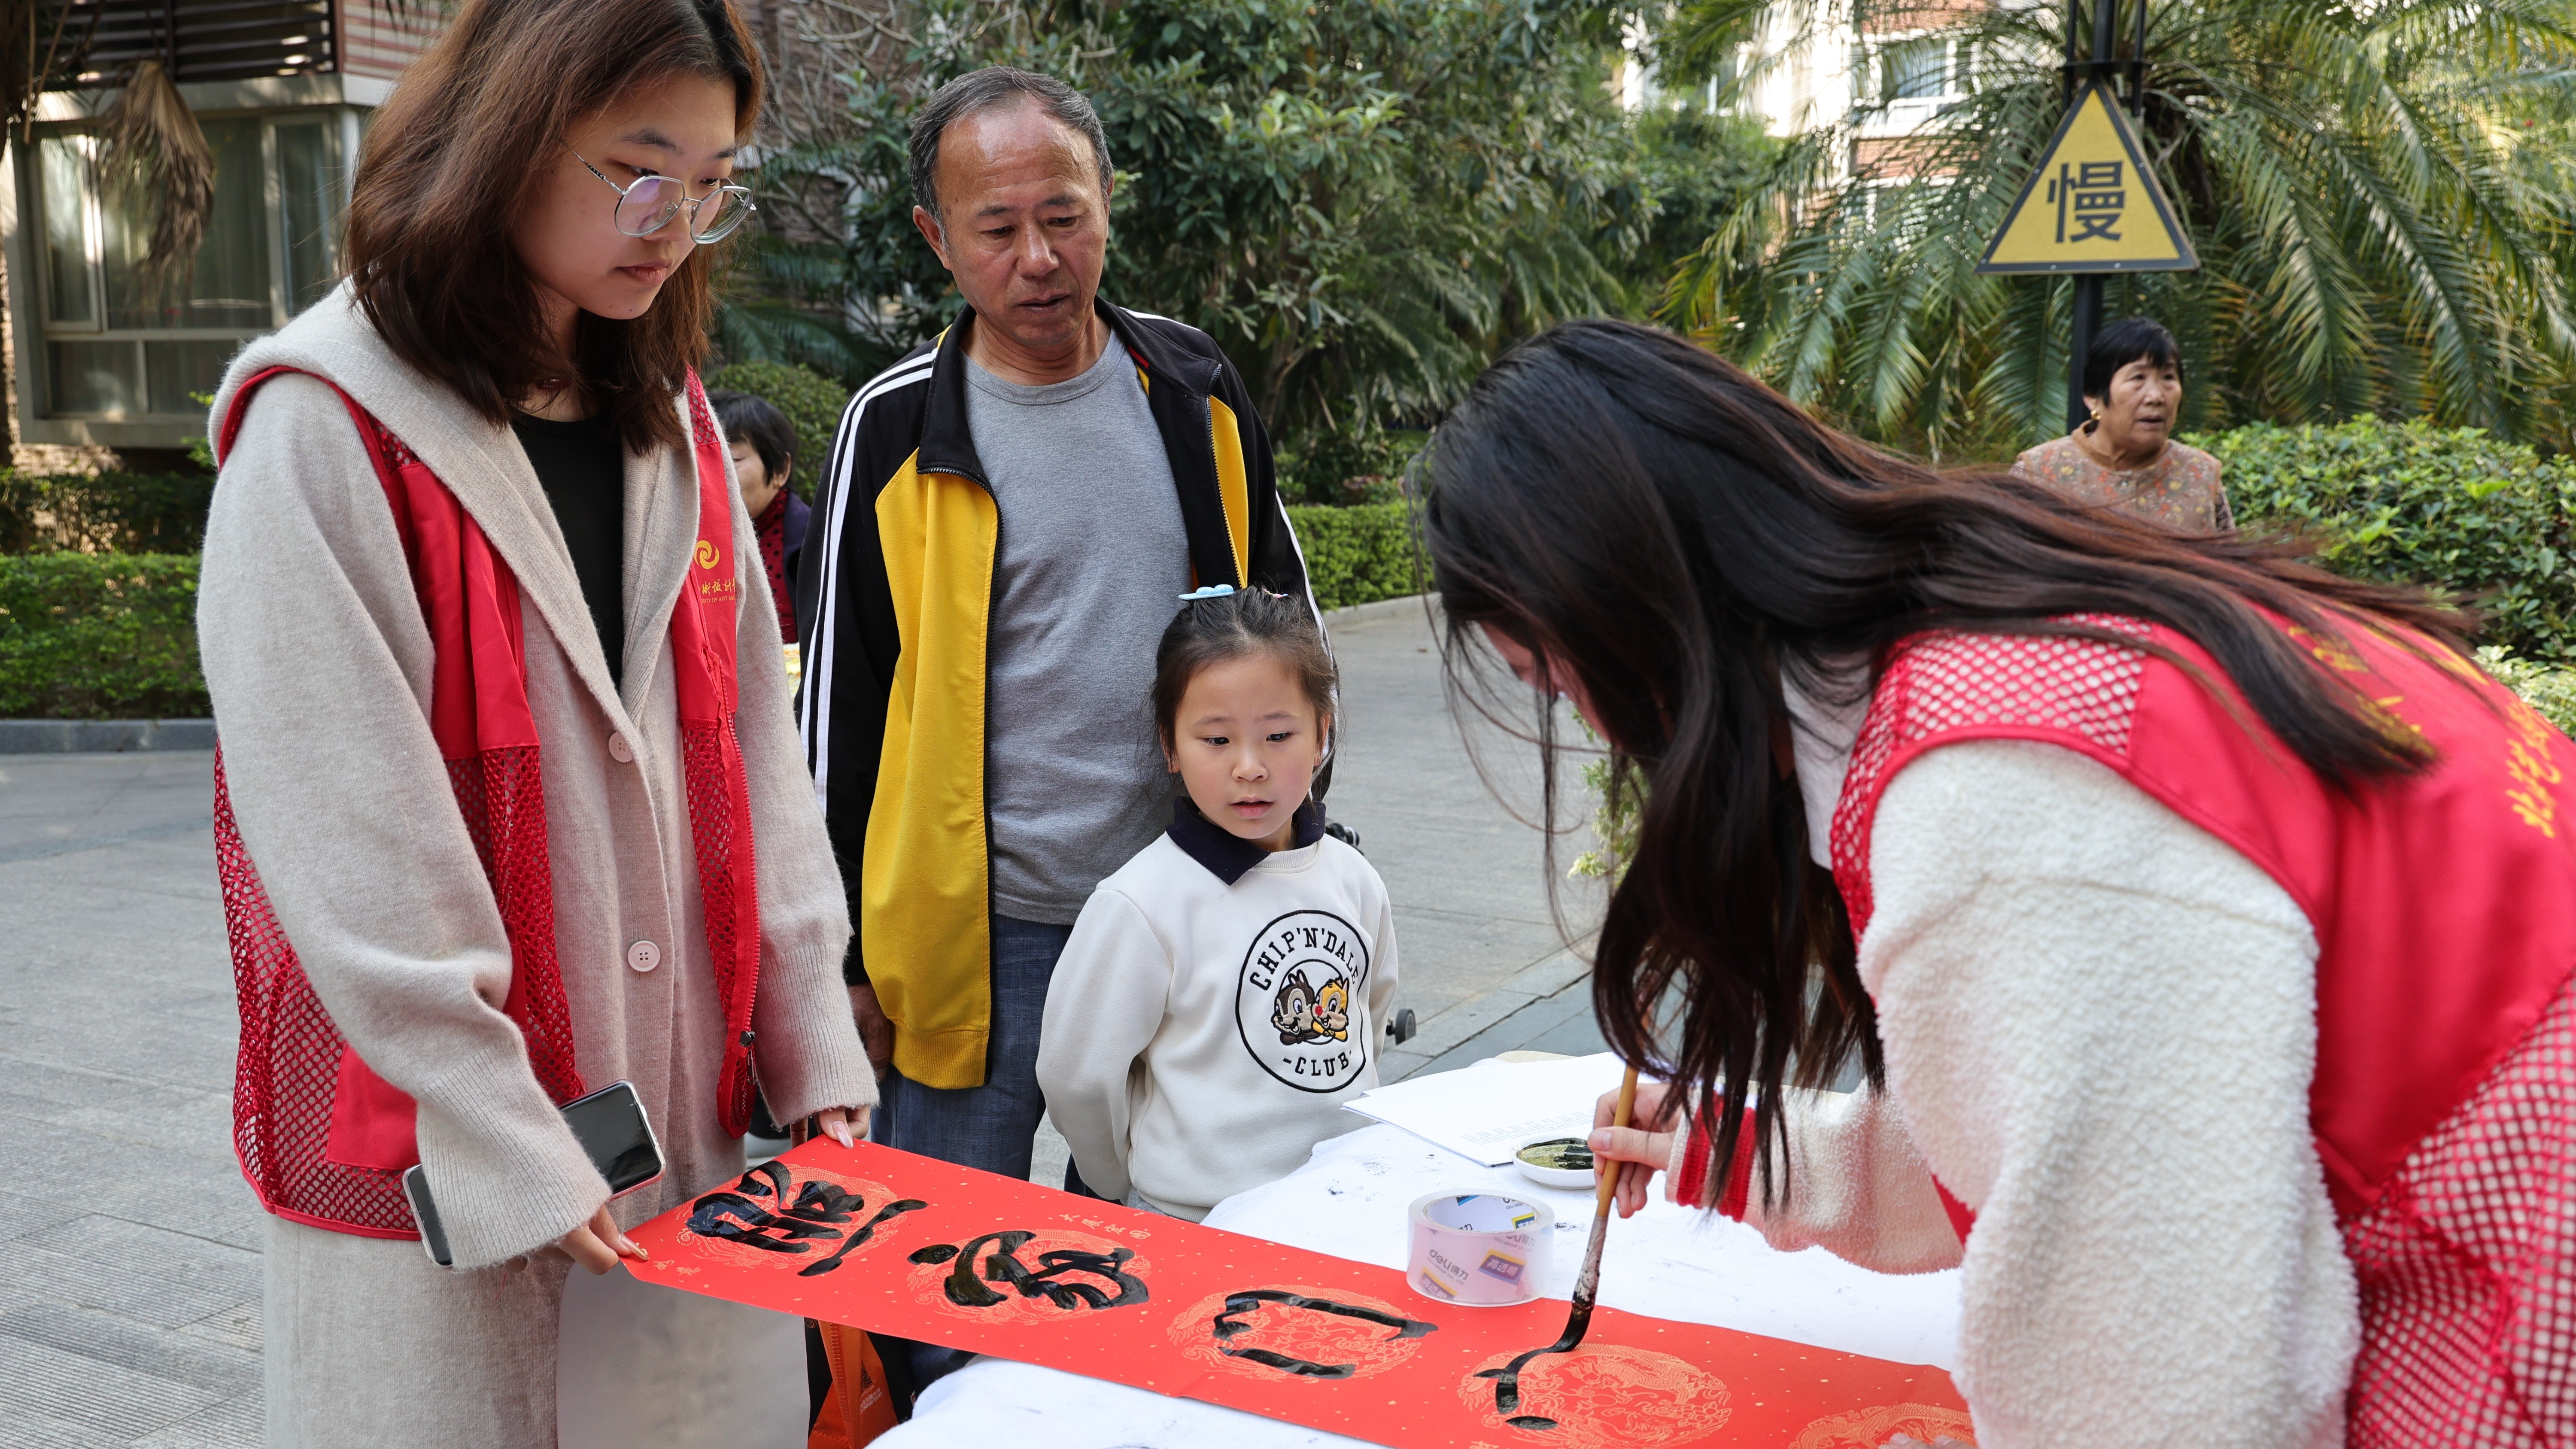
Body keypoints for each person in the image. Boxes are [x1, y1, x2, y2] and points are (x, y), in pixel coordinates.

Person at [1423, 319, 2575, 1447]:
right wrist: (1745, 1145)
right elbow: (2055, 1142)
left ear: (1636, 614)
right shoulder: (2012, 639)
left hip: (2519, 1312)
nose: (1597, 733)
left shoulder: (1990, 793)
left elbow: (2176, 1386)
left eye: (1553, 680)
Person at [197, 3, 874, 1444]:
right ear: (505, 137)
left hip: (680, 1144)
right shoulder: (324, 430)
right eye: (640, 173)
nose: (675, 224)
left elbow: (755, 747)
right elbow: (352, 845)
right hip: (442, 1170)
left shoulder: (668, 416)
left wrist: (812, 1032)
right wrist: (514, 1135)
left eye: (712, 184)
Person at [794, 70, 1318, 1194]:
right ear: (937, 238)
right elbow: (840, 713)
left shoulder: (1191, 385)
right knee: (940, 1251)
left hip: (1181, 901)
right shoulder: (894, 426)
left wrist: (1294, 841)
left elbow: (1284, 627)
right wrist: (839, 963)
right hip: (980, 932)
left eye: (1064, 216)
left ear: (1107, 204)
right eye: (997, 229)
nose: (1038, 258)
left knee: (1156, 1240)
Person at [1037, 587, 1396, 1221]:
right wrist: (1122, 1180)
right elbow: (1078, 1076)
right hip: (1194, 1222)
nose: (1250, 767)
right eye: (1217, 740)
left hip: (1341, 1212)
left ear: (1322, 735)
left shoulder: (1353, 878)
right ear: (1171, 746)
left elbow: (1370, 1015)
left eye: (1278, 735)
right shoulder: (1139, 903)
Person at [2013, 316, 2233, 530]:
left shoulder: (2201, 474)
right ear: (2094, 397)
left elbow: (2228, 554)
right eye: (2138, 378)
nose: (2156, 397)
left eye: (2168, 377)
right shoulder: (2038, 473)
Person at [710, 389, 811, 647]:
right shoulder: (693, 539)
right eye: (705, 460)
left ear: (781, 470)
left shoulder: (818, 544)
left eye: (733, 459)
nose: (712, 474)